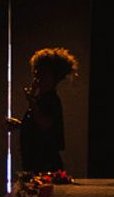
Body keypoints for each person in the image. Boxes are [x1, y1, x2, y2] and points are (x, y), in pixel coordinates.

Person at [11, 47, 74, 180]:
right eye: (36, 72)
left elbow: (44, 125)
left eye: (41, 72)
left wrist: (31, 100)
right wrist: (21, 125)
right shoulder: (42, 99)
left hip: (45, 165)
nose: (36, 76)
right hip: (36, 162)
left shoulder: (51, 100)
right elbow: (40, 127)